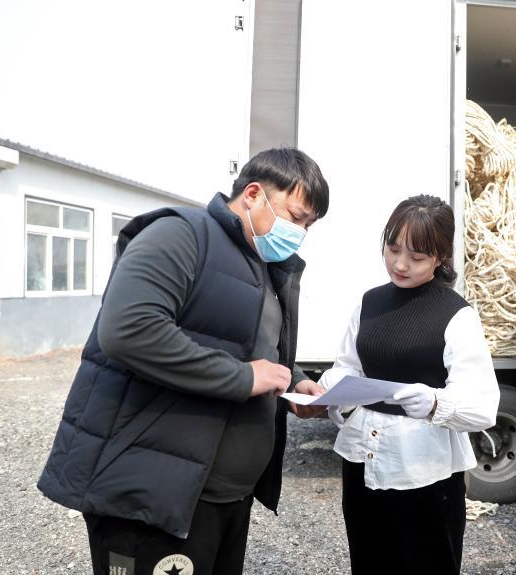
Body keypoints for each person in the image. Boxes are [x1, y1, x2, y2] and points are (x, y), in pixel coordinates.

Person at [37, 148, 330, 575]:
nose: (300, 232)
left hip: (222, 495)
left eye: (308, 225)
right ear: (252, 194)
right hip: (152, 494)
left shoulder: (265, 267)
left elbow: (250, 347)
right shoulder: (180, 235)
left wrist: (294, 382)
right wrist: (242, 377)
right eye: (296, 216)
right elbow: (129, 330)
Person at [304, 194, 499, 575]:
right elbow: (348, 367)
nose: (400, 264)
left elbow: (482, 405)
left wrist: (433, 404)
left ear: (440, 257)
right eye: (392, 249)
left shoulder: (456, 315)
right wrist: (322, 392)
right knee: (369, 561)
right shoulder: (370, 302)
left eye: (417, 257)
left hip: (425, 467)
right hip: (363, 459)